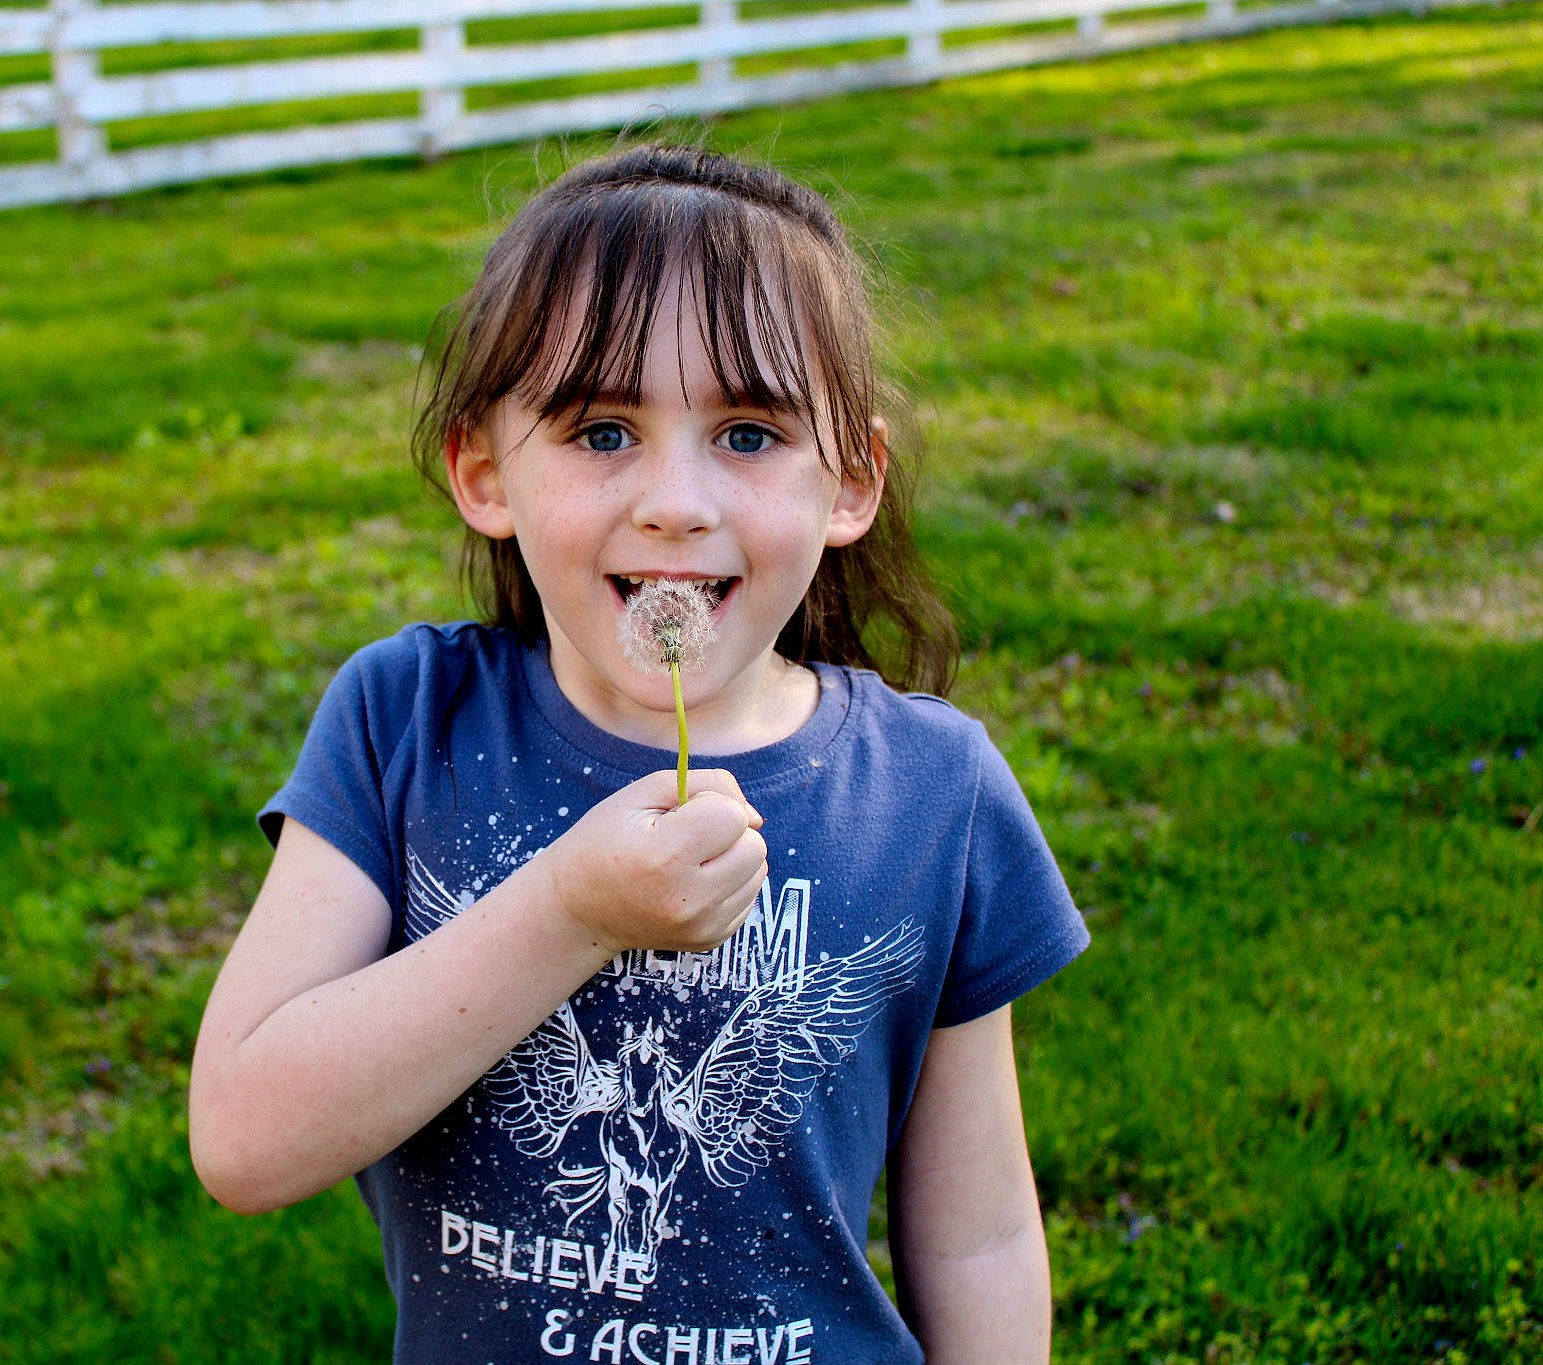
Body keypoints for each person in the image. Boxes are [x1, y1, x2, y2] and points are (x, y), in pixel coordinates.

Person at [188, 144, 1090, 1364]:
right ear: (483, 473)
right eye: (603, 430)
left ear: (849, 483)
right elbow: (243, 1143)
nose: (676, 500)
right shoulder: (404, 723)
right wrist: (569, 911)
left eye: (748, 434)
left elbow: (977, 1233)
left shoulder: (930, 792)